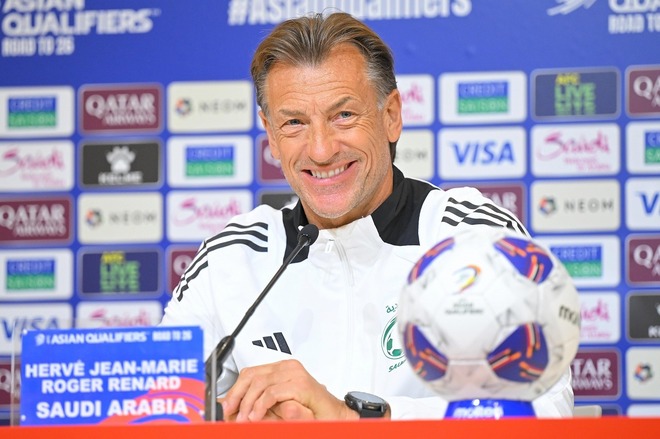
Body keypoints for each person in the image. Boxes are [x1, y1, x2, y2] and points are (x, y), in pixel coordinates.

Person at [160, 11, 574, 421]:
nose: (321, 150)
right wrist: (241, 420)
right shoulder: (230, 258)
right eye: (294, 122)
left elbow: (544, 410)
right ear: (270, 133)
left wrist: (354, 419)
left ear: (391, 116)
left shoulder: (474, 238)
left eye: (343, 115)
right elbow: (155, 407)